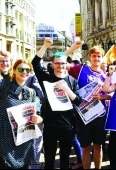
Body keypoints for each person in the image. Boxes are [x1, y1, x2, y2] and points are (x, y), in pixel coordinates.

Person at [0, 51, 43, 169]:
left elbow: (37, 114)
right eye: (20, 69)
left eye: (27, 70)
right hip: (3, 141)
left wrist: (39, 119)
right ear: (14, 70)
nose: (24, 72)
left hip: (23, 141)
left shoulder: (31, 92)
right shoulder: (4, 85)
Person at [32, 38, 83, 169]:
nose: (60, 66)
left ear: (66, 64)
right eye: (57, 63)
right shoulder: (46, 79)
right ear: (53, 64)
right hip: (50, 125)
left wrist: (67, 90)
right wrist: (44, 46)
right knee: (49, 159)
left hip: (68, 125)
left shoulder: (72, 80)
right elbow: (35, 63)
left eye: (62, 63)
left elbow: (79, 101)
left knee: (65, 158)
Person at [65, 41, 111, 169]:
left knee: (98, 146)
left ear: (102, 58)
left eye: (99, 56)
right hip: (84, 115)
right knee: (86, 147)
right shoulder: (80, 69)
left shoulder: (105, 75)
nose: (96, 58)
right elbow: (61, 60)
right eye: (94, 55)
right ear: (89, 57)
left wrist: (103, 96)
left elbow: (111, 94)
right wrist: (74, 47)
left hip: (100, 114)